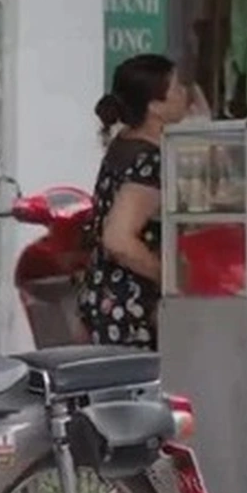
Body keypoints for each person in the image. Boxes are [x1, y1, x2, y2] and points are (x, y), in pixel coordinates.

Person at [78, 54, 187, 350]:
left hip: (105, 297)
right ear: (155, 107)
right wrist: (170, 278)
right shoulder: (149, 160)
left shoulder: (125, 144)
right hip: (130, 308)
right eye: (176, 89)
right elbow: (118, 239)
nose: (184, 94)